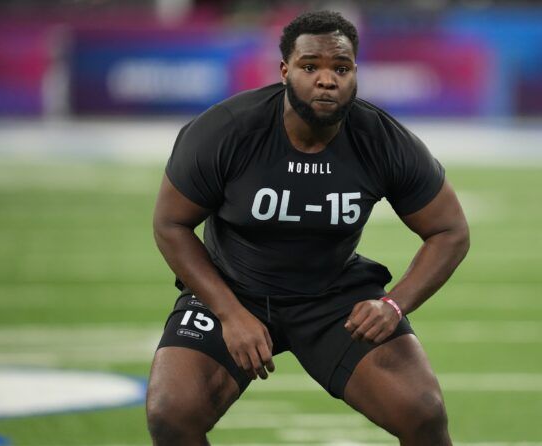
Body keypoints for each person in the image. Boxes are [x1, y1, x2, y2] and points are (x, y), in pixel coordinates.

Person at [146, 10, 469, 446]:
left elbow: (450, 231)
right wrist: (229, 313)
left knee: (423, 415)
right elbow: (170, 223)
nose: (326, 80)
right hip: (233, 288)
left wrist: (393, 305)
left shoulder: (383, 140)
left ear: (356, 73)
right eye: (310, 66)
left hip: (334, 298)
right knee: (171, 413)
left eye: (341, 68)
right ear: (285, 71)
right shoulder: (227, 130)